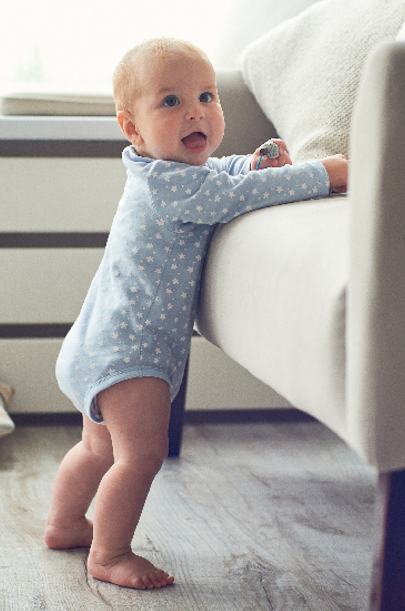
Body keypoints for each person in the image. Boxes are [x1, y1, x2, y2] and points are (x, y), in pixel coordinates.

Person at [45, 37, 349, 590]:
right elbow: (232, 197)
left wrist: (252, 162)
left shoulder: (164, 173)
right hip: (133, 355)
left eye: (207, 95)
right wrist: (323, 174)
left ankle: (65, 523)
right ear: (131, 128)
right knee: (139, 458)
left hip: (98, 342)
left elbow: (221, 175)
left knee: (95, 448)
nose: (196, 110)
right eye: (171, 101)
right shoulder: (173, 189)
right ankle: (109, 553)